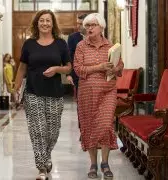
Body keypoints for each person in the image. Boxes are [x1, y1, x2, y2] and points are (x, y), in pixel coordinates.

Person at [14, 9, 71, 180]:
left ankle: (46, 157)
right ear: (37, 23)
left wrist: (56, 69)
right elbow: (22, 67)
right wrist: (16, 89)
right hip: (33, 92)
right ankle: (41, 167)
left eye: (48, 20)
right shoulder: (29, 44)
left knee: (52, 131)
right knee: (37, 130)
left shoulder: (61, 44)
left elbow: (69, 67)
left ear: (52, 24)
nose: (45, 23)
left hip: (55, 93)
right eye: (42, 20)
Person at [73, 13, 124, 179]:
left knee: (105, 125)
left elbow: (120, 66)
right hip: (87, 93)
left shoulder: (111, 46)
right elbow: (78, 69)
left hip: (108, 91)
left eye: (93, 25)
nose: (89, 28)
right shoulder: (81, 46)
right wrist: (99, 66)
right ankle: (93, 163)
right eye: (87, 26)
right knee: (89, 127)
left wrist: (114, 69)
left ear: (101, 27)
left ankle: (105, 162)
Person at [66, 14, 87, 91]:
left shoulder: (94, 36)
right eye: (77, 23)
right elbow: (69, 57)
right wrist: (68, 74)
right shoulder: (72, 37)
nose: (78, 26)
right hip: (77, 75)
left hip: (92, 75)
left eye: (81, 24)